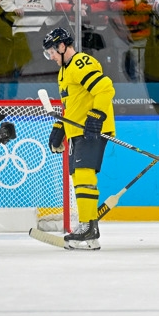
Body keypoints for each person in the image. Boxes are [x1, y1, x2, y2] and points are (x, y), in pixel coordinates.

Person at [44, 26, 115, 250]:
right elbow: (71, 106)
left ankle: (88, 229)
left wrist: (96, 116)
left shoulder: (80, 63)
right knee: (78, 176)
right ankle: (88, 226)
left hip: (92, 129)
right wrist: (60, 128)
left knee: (84, 174)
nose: (51, 56)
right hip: (77, 131)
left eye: (52, 51)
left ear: (62, 46)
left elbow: (105, 88)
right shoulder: (63, 71)